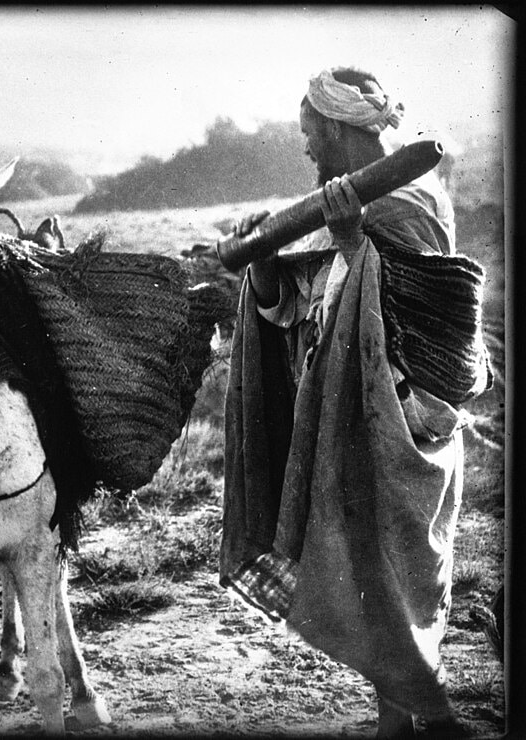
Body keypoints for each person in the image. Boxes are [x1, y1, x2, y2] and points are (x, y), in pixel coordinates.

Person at [220, 68, 491, 737]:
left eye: (311, 132)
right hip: (349, 414)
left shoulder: (409, 205)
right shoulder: (341, 207)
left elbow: (427, 320)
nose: (306, 147)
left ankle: (429, 715)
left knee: (402, 573)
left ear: (340, 129)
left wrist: (350, 241)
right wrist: (265, 263)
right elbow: (292, 310)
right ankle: (401, 718)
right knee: (371, 572)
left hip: (404, 419)